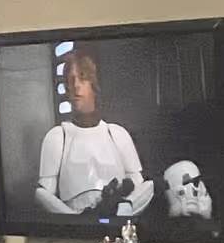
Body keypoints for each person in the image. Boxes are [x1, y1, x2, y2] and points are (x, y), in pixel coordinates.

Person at [33, 52, 155, 219]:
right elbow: (44, 193)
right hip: (76, 223)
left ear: (94, 84)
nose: (76, 86)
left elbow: (141, 186)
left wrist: (123, 208)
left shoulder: (117, 134)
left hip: (117, 218)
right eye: (71, 79)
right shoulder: (58, 137)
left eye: (82, 78)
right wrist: (75, 220)